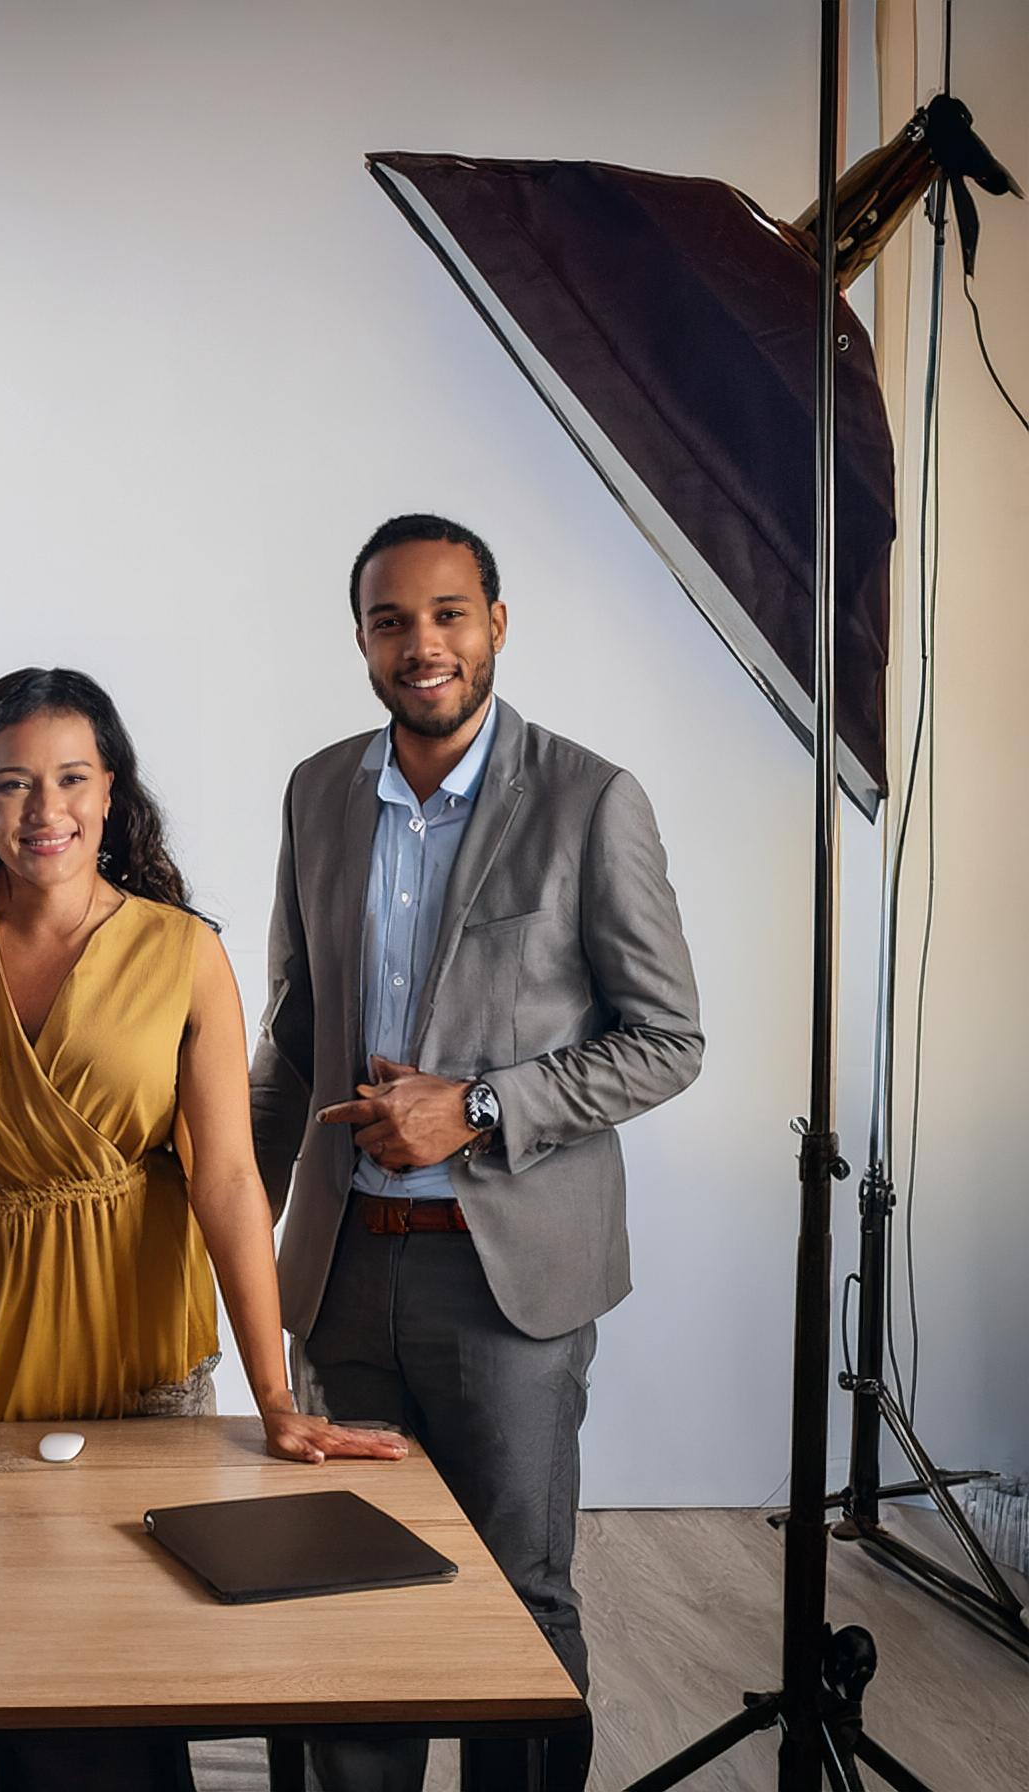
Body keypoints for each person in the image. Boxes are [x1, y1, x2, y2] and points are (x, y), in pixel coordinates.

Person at [248, 514, 704, 1792]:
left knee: (517, 1601)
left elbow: (669, 1038)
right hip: (340, 1268)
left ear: (496, 624)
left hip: (506, 1279)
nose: (422, 643)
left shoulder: (591, 799)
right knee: (343, 1595)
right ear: (361, 641)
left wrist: (484, 1106)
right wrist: (223, 1216)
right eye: (392, 620)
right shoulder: (315, 791)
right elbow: (295, 1029)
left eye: (448, 613)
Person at [0, 667, 406, 1464]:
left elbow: (228, 1181)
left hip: (137, 1348)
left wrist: (275, 1400)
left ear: (110, 792)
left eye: (72, 778)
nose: (47, 810)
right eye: (13, 784)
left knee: (144, 1581)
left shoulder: (185, 952)